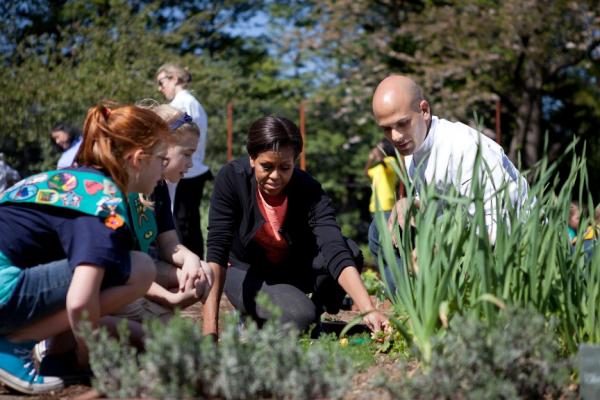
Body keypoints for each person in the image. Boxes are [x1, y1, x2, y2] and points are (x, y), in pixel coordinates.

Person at [0, 102, 170, 394]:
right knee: (140, 268)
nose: (163, 171)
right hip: (5, 290)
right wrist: (89, 355)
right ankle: (16, 345)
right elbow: (79, 301)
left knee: (96, 266)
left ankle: (57, 356)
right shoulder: (101, 200)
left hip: (11, 282)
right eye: (162, 160)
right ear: (139, 159)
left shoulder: (74, 182)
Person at [203, 116, 389, 338]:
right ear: (252, 158)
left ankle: (311, 319)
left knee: (349, 251)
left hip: (288, 269)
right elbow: (217, 250)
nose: (275, 176)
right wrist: (210, 331)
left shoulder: (308, 189)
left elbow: (333, 247)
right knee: (299, 316)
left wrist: (369, 309)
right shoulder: (232, 179)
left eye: (285, 167)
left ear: (295, 161)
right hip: (244, 271)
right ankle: (256, 318)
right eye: (267, 166)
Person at [368, 75, 529, 294]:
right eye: (386, 128)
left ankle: (432, 304)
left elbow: (499, 225)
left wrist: (445, 245)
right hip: (455, 237)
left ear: (424, 110)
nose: (395, 136)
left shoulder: (464, 147)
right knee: (382, 227)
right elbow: (440, 201)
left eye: (402, 123)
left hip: (512, 251)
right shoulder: (412, 148)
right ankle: (412, 305)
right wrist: (410, 203)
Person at [112, 104, 214, 325]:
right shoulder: (118, 189)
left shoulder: (157, 186)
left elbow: (169, 242)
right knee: (165, 330)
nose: (190, 164)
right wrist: (168, 298)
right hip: (118, 277)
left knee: (202, 273)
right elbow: (121, 266)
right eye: (187, 154)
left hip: (142, 271)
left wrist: (192, 259)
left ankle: (151, 311)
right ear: (162, 147)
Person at [155, 63, 211, 259]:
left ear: (175, 79)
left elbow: (181, 132)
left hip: (188, 174)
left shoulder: (182, 104)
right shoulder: (192, 103)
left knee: (182, 225)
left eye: (162, 82)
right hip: (191, 171)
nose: (160, 88)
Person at [365, 138, 399, 215]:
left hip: (386, 206)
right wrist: (370, 159)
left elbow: (383, 162)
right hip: (374, 207)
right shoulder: (378, 167)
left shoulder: (391, 160)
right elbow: (366, 173)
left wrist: (379, 154)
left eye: (380, 147)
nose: (377, 149)